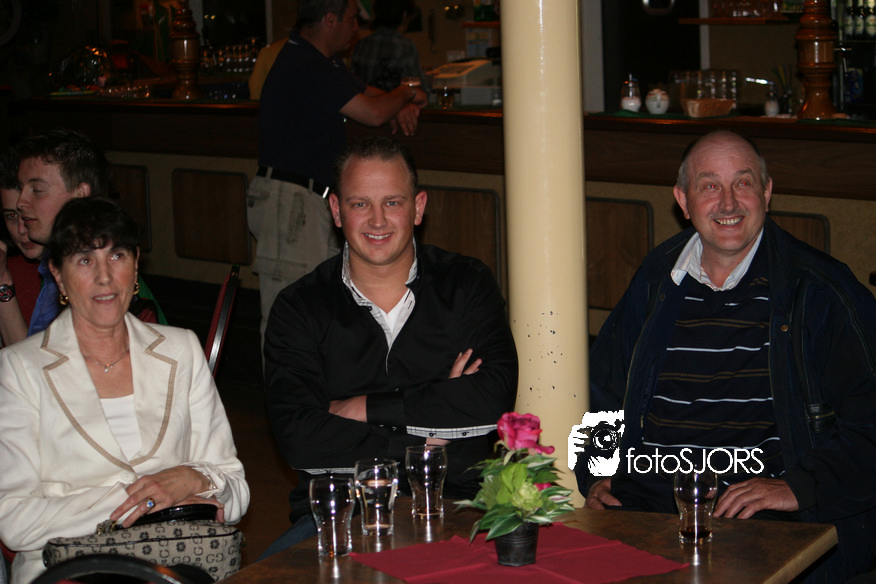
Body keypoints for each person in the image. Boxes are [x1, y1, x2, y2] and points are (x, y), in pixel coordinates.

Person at [581, 130, 876, 582]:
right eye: (709, 186)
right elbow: (604, 387)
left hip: (763, 515)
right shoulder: (658, 278)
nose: (728, 203)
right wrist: (597, 472)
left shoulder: (820, 290)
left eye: (743, 182)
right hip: (650, 499)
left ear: (767, 192)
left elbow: (869, 419)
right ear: (683, 200)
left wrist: (798, 488)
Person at [262, 137, 518, 556]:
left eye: (392, 202)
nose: (377, 220)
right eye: (360, 203)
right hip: (339, 513)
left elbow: (492, 396)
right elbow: (300, 436)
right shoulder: (299, 307)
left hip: (459, 507)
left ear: (418, 207)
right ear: (336, 210)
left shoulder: (466, 285)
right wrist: (424, 444)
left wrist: (364, 409)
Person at [0, 197, 250, 584]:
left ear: (135, 265)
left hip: (174, 564)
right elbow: (13, 519)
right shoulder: (19, 368)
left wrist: (193, 479)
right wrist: (148, 499)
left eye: (116, 256)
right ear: (58, 275)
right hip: (69, 571)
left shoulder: (180, 349)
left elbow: (235, 489)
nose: (104, 277)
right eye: (84, 260)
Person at [248, 0, 428, 344]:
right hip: (291, 202)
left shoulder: (323, 62)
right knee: (290, 314)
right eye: (351, 19)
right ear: (330, 19)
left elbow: (369, 95)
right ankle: (288, 382)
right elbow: (372, 113)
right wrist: (406, 93)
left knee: (323, 309)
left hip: (304, 198)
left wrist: (398, 104)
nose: (356, 27)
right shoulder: (305, 63)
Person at [15, 128, 165, 336]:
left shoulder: (114, 289)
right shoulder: (47, 267)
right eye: (21, 188)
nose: (20, 202)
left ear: (81, 195)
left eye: (37, 190)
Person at [0, 150, 41, 347]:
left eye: (27, 216)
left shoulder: (92, 271)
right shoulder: (10, 269)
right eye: (11, 216)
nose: (20, 229)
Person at [351, 0, 429, 93]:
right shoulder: (405, 46)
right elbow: (416, 87)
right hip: (396, 101)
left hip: (364, 101)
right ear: (404, 15)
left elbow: (353, 84)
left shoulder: (361, 45)